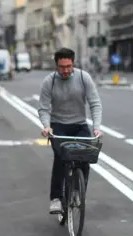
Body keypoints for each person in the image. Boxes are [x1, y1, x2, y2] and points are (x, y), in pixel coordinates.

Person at [38, 47, 103, 214]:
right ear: (56, 66)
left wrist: (96, 128)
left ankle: (77, 192)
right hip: (58, 125)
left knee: (85, 157)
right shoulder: (49, 82)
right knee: (60, 158)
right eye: (62, 67)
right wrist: (46, 126)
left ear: (73, 64)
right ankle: (56, 198)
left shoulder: (83, 78)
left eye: (68, 66)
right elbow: (44, 109)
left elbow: (95, 104)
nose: (65, 70)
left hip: (79, 124)